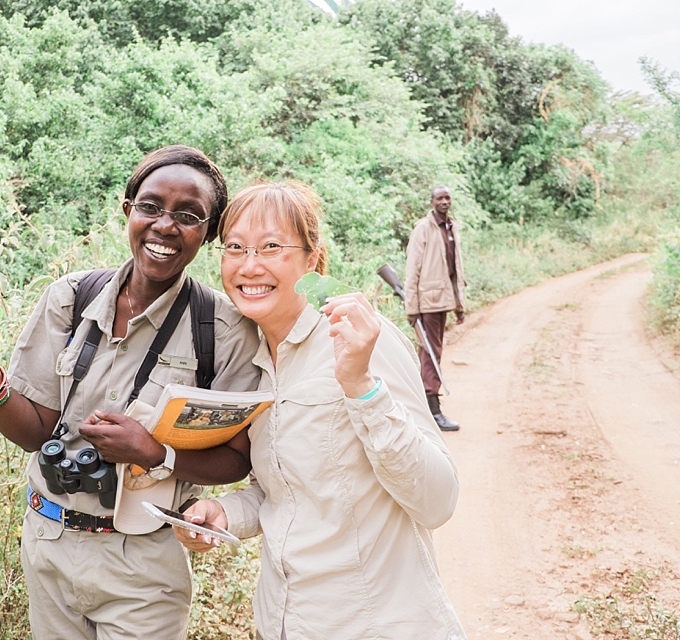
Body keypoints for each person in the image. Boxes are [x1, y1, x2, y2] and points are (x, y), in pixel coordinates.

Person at [0, 145, 260, 640]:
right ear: (128, 210)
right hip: (48, 543)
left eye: (189, 215)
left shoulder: (222, 328)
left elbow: (237, 460)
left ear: (209, 232)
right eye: (150, 206)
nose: (165, 226)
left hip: (144, 564)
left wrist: (154, 454)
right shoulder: (70, 297)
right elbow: (35, 433)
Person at [176, 181, 465, 640]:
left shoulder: (359, 340)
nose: (250, 265)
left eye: (271, 246)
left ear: (312, 259)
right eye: (235, 247)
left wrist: (362, 388)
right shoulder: (250, 358)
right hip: (286, 620)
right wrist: (225, 514)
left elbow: (438, 499)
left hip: (374, 623)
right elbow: (289, 492)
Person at [404, 185, 466, 431]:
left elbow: (455, 269)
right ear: (431, 201)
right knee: (431, 352)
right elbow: (413, 269)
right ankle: (432, 409)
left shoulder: (451, 227)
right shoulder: (423, 229)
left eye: (447, 197)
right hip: (427, 301)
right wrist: (412, 306)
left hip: (443, 299)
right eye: (440, 198)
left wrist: (459, 305)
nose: (444, 201)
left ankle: (424, 407)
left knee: (432, 351)